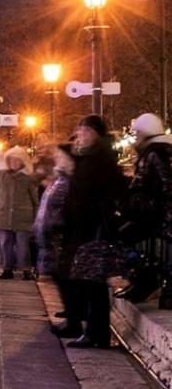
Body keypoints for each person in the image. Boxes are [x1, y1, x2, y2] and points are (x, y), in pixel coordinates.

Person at [56, 114, 126, 348]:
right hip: (86, 227)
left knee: (93, 281)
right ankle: (94, 332)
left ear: (97, 134)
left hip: (93, 228)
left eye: (86, 131)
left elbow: (89, 195)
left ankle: (96, 333)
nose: (81, 135)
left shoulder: (99, 159)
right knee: (90, 281)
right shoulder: (92, 157)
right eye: (80, 131)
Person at [125, 112, 172, 308]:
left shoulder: (154, 154)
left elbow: (164, 184)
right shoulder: (159, 151)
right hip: (157, 214)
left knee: (127, 239)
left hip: (156, 215)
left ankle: (148, 280)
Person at [0, 147, 39, 279]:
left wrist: (36, 218)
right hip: (4, 215)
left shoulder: (28, 178)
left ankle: (26, 270)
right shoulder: (2, 175)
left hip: (23, 217)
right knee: (5, 243)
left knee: (23, 244)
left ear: (23, 161)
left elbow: (34, 199)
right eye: (11, 160)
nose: (14, 163)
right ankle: (6, 269)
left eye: (17, 160)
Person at [34, 144, 74, 283]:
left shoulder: (66, 183)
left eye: (60, 156)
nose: (56, 158)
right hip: (47, 241)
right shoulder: (58, 180)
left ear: (69, 160)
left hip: (55, 242)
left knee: (55, 282)